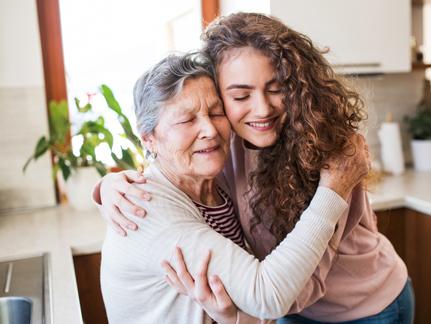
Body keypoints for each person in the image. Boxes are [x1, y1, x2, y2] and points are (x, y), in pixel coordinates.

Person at [96, 13, 414, 324]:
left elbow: (298, 287)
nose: (261, 108)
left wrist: (240, 314)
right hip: (283, 305)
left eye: (276, 88)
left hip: (364, 307)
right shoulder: (223, 144)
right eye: (240, 95)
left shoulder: (328, 152)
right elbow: (169, 162)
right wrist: (108, 187)